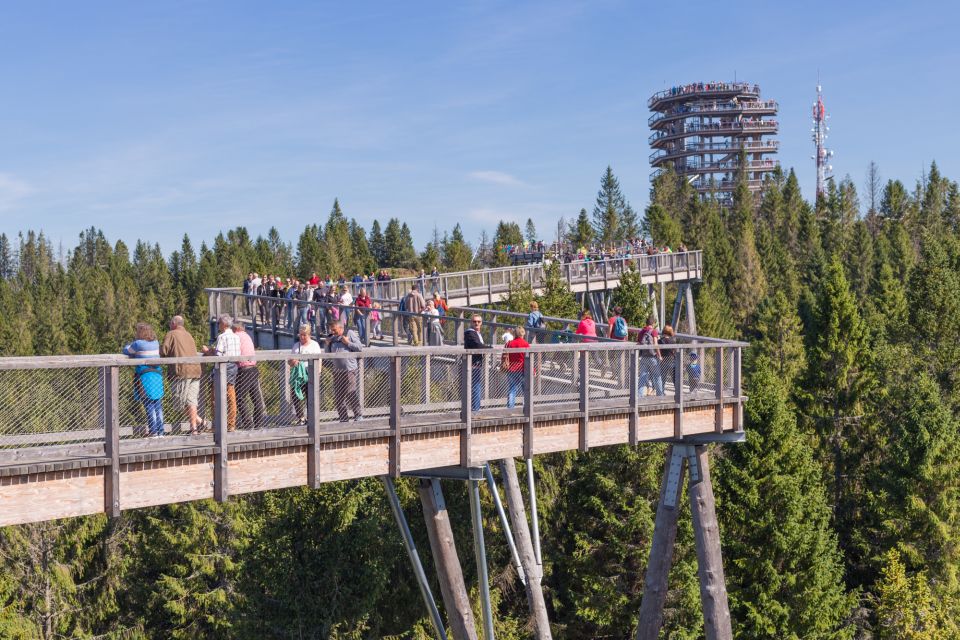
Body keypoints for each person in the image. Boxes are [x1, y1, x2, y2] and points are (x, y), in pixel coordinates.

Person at [159, 315, 204, 434]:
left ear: (174, 323)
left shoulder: (171, 334)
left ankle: (198, 422)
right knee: (191, 401)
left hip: (182, 372)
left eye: (170, 323)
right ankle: (195, 426)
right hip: (195, 370)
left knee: (179, 402)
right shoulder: (189, 334)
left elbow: (163, 351)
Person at [123, 323, 165, 437]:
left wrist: (128, 346)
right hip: (157, 376)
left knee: (149, 404)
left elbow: (127, 350)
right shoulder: (156, 343)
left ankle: (153, 431)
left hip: (145, 377)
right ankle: (161, 431)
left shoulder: (138, 343)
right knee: (158, 404)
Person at [202, 314, 240, 432]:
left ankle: (216, 425)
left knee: (215, 397)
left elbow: (218, 355)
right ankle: (231, 424)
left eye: (219, 323)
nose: (218, 325)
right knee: (231, 396)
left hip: (222, 368)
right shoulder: (236, 337)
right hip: (234, 366)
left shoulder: (222, 337)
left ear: (223, 324)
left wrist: (208, 352)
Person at [325, 320, 364, 422]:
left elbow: (359, 347)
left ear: (340, 328)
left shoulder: (349, 333)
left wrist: (348, 343)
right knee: (338, 396)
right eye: (331, 330)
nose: (332, 332)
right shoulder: (332, 337)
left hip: (349, 370)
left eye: (334, 330)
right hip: (337, 371)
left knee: (351, 393)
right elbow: (328, 355)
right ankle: (343, 418)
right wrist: (327, 344)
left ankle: (358, 415)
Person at [233, 321, 266, 430]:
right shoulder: (247, 336)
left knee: (239, 397)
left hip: (244, 370)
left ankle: (248, 423)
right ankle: (258, 423)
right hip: (253, 369)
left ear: (236, 329)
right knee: (256, 397)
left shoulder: (236, 336)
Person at [289, 325, 321, 425]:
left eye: (304, 335)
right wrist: (292, 362)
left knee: (310, 396)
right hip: (299, 374)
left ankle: (311, 418)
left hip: (310, 372)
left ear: (309, 335)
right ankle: (301, 417)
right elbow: (290, 361)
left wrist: (318, 373)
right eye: (301, 335)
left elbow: (319, 360)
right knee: (295, 395)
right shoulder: (296, 345)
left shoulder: (314, 345)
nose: (302, 337)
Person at [464, 314, 493, 412]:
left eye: (479, 322)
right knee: (476, 386)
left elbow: (480, 345)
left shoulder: (477, 333)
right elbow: (478, 345)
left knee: (475, 386)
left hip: (476, 363)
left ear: (481, 323)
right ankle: (475, 409)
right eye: (474, 321)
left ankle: (474, 408)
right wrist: (490, 349)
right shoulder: (470, 333)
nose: (476, 323)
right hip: (472, 364)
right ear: (471, 322)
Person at [503, 326, 530, 409]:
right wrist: (533, 370)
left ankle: (510, 409)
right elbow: (529, 359)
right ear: (523, 333)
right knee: (525, 390)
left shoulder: (509, 343)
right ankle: (526, 408)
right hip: (523, 369)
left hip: (511, 369)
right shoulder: (525, 344)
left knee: (512, 389)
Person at [636, 316, 664, 396]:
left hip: (644, 357)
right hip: (653, 357)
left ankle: (639, 395)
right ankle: (660, 395)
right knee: (657, 376)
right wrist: (659, 355)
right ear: (653, 323)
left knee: (642, 377)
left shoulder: (642, 331)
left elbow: (638, 343)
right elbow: (655, 344)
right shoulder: (654, 331)